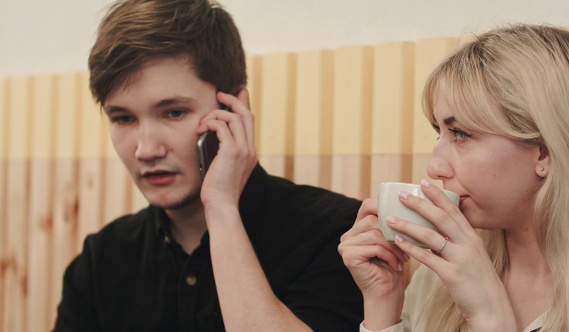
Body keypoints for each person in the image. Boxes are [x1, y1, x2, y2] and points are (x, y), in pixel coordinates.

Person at [54, 0, 364, 330]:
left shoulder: (336, 236)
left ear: (234, 110)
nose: (146, 149)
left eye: (173, 112)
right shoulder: (100, 259)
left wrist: (220, 207)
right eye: (124, 118)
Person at [338, 24, 569, 332]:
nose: (435, 168)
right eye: (439, 132)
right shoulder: (439, 273)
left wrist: (491, 318)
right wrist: (383, 305)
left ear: (544, 152)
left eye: (461, 134)